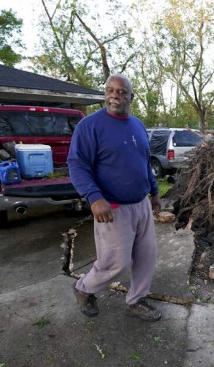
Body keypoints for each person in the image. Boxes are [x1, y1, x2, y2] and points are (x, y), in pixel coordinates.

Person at [67, 73, 162, 321]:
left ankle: (137, 299)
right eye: (110, 90)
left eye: (121, 92)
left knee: (146, 256)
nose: (114, 96)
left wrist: (154, 191)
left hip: (141, 204)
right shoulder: (90, 126)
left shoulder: (138, 125)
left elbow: (144, 162)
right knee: (115, 262)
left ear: (131, 96)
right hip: (113, 208)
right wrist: (93, 197)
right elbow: (77, 165)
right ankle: (84, 288)